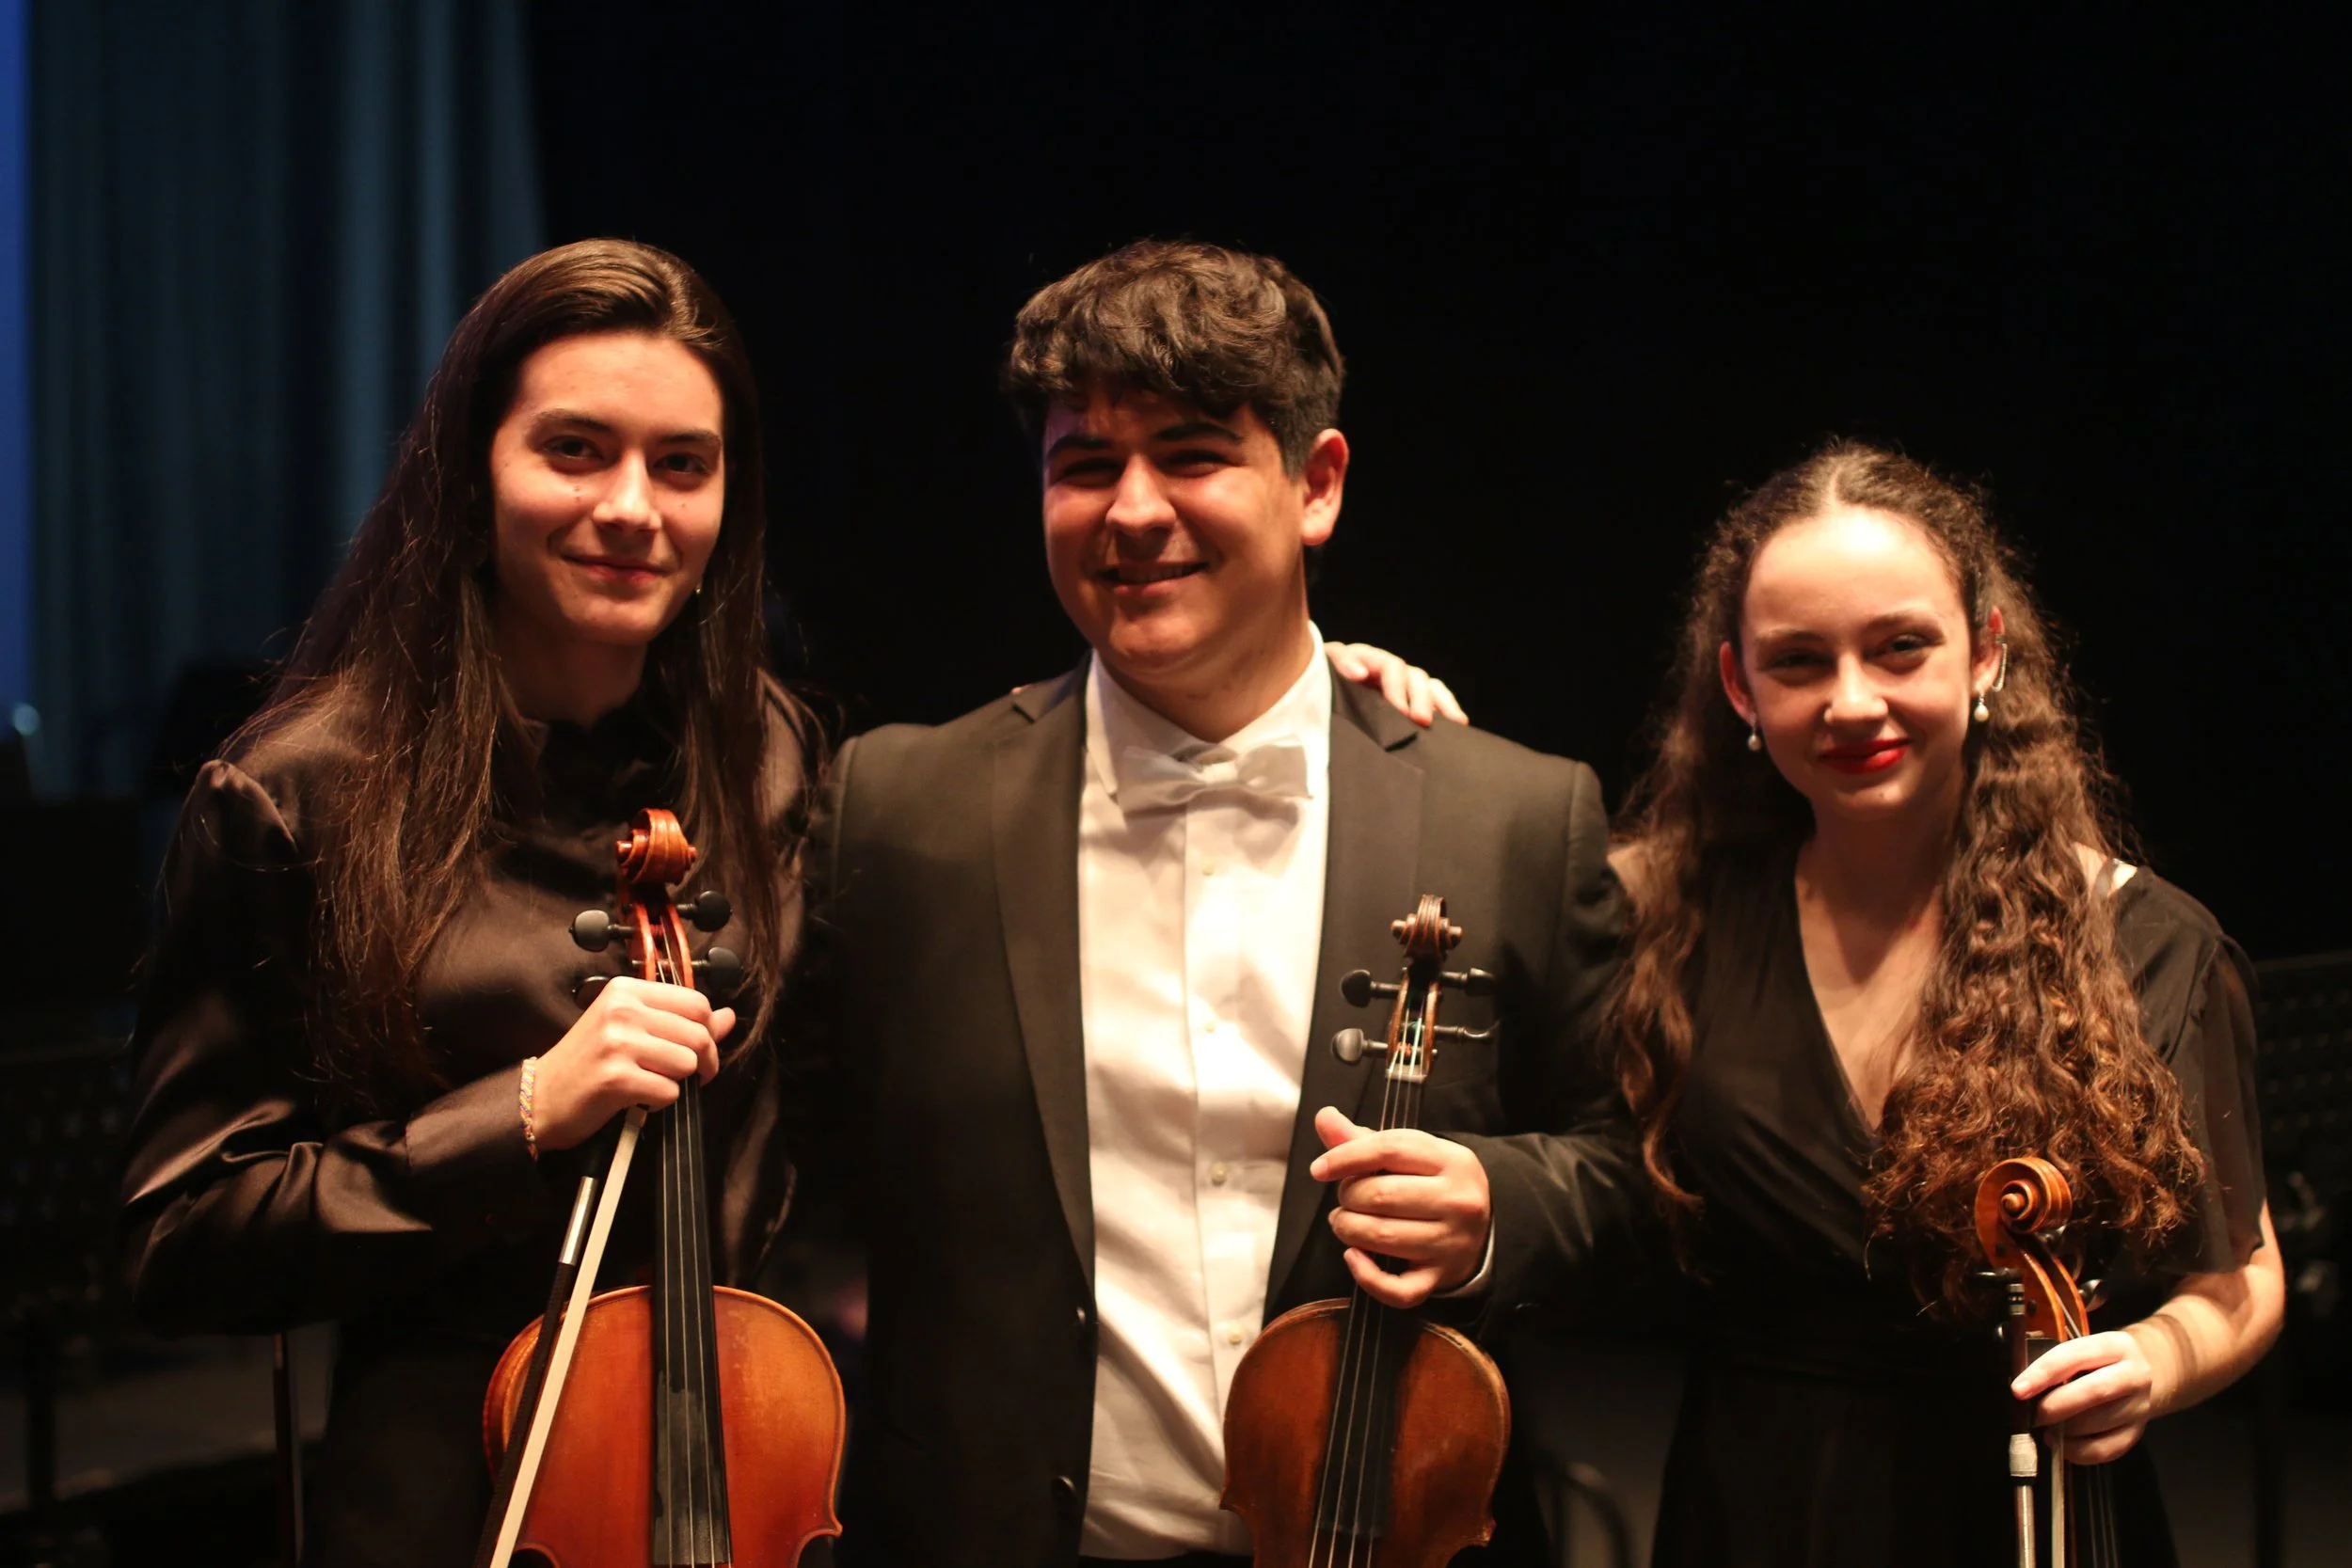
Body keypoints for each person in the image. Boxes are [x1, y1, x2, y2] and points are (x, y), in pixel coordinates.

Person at [783, 239, 1641, 1568]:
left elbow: (1634, 1168)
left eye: (1191, 453)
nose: (1132, 509)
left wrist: (1496, 1204)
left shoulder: (1514, 816)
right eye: (1084, 466)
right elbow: (793, 1167)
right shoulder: (896, 807)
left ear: (1316, 484)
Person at [118, 239, 817, 1567]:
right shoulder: (302, 793)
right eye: (573, 450)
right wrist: (523, 1112)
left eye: (683, 463)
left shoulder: (765, 751)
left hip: (729, 1482)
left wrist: (1314, 701)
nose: (633, 507)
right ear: (469, 469)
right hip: (451, 1501)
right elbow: (180, 1239)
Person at [1607, 442, 2282, 1565]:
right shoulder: (1663, 915)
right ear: (1739, 687)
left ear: (1986, 652)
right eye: (1798, 662)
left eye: (1899, 647)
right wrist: (1359, 691)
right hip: (1752, 1506)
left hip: (2029, 1514)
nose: (1851, 701)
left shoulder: (2150, 943)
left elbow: (2240, 1275)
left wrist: (2155, 1361)